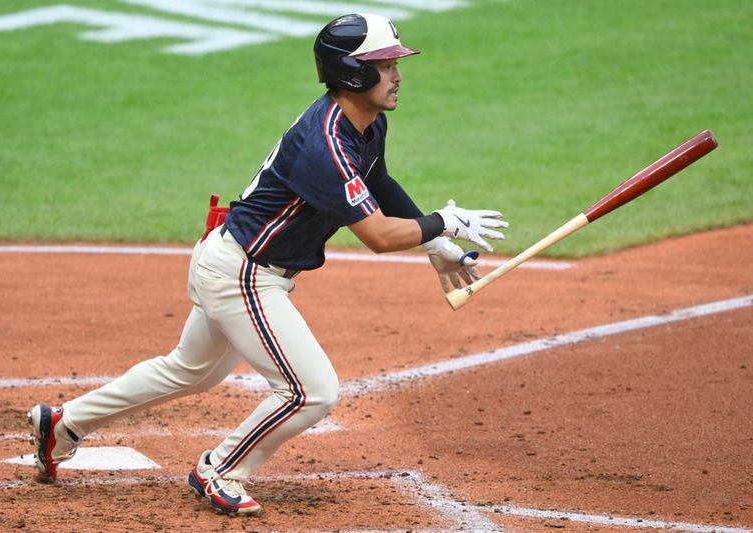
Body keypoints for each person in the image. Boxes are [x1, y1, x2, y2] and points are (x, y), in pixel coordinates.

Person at [27, 13, 508, 517]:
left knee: (189, 372)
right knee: (311, 392)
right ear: (352, 73)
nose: (397, 74)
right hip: (243, 274)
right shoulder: (324, 145)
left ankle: (61, 423)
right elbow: (378, 237)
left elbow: (378, 181)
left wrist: (432, 244)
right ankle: (220, 468)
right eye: (384, 65)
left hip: (231, 260)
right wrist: (443, 223)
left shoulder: (366, 123)